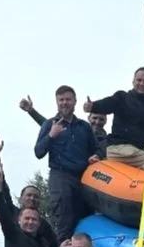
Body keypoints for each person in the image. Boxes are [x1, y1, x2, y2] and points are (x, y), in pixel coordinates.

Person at [24, 85, 99, 236]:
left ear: (75, 101)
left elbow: (96, 149)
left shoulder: (84, 127)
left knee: (85, 218)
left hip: (83, 177)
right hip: (60, 175)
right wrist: (51, 135)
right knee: (65, 218)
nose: (65, 103)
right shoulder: (49, 124)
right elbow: (38, 152)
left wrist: (96, 156)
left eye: (68, 99)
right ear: (57, 102)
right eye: (61, 100)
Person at [85, 69, 144, 173]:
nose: (142, 83)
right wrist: (93, 106)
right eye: (139, 80)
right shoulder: (122, 97)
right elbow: (107, 104)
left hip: (138, 149)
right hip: (117, 148)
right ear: (133, 82)